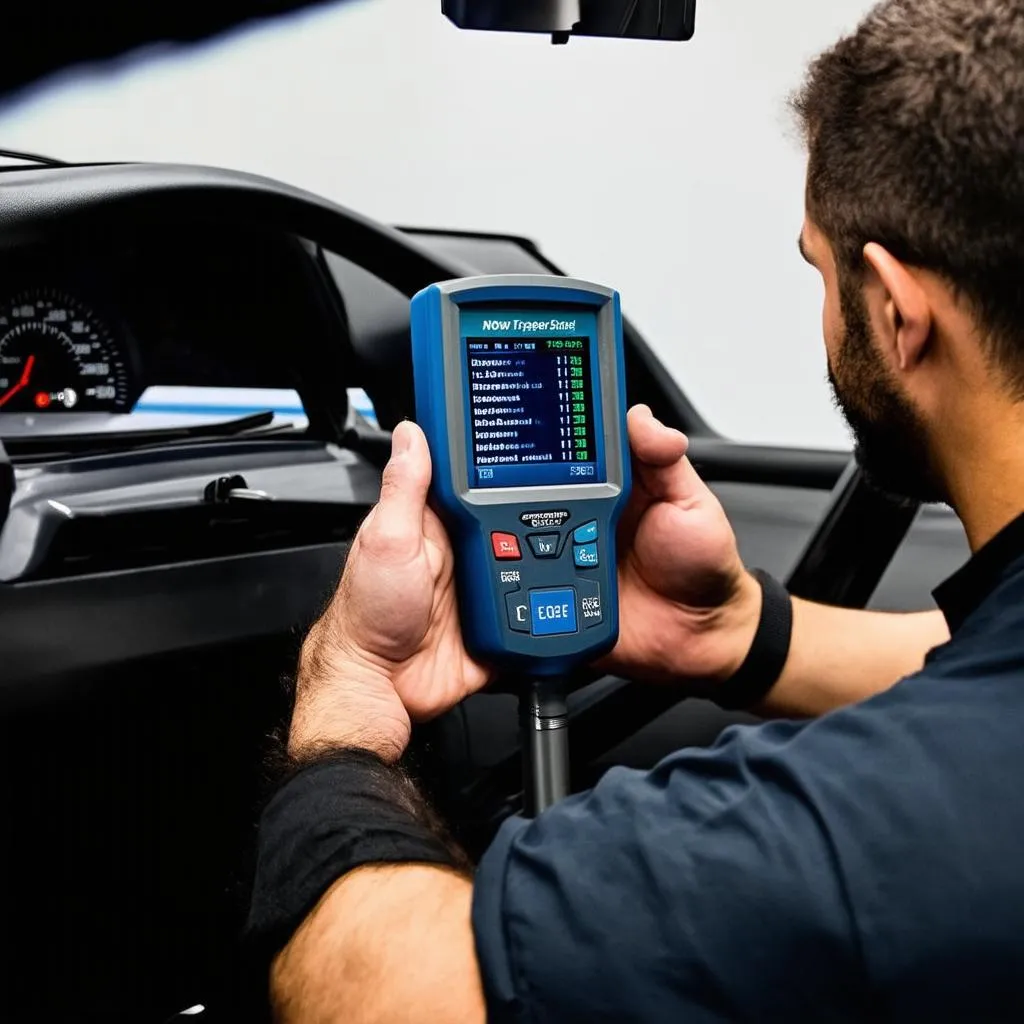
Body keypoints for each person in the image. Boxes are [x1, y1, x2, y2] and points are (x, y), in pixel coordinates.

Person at [246, 0, 1024, 1019]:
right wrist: (738, 633)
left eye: (816, 269)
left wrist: (340, 722)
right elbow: (972, 663)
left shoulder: (857, 831)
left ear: (893, 309)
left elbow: (380, 993)